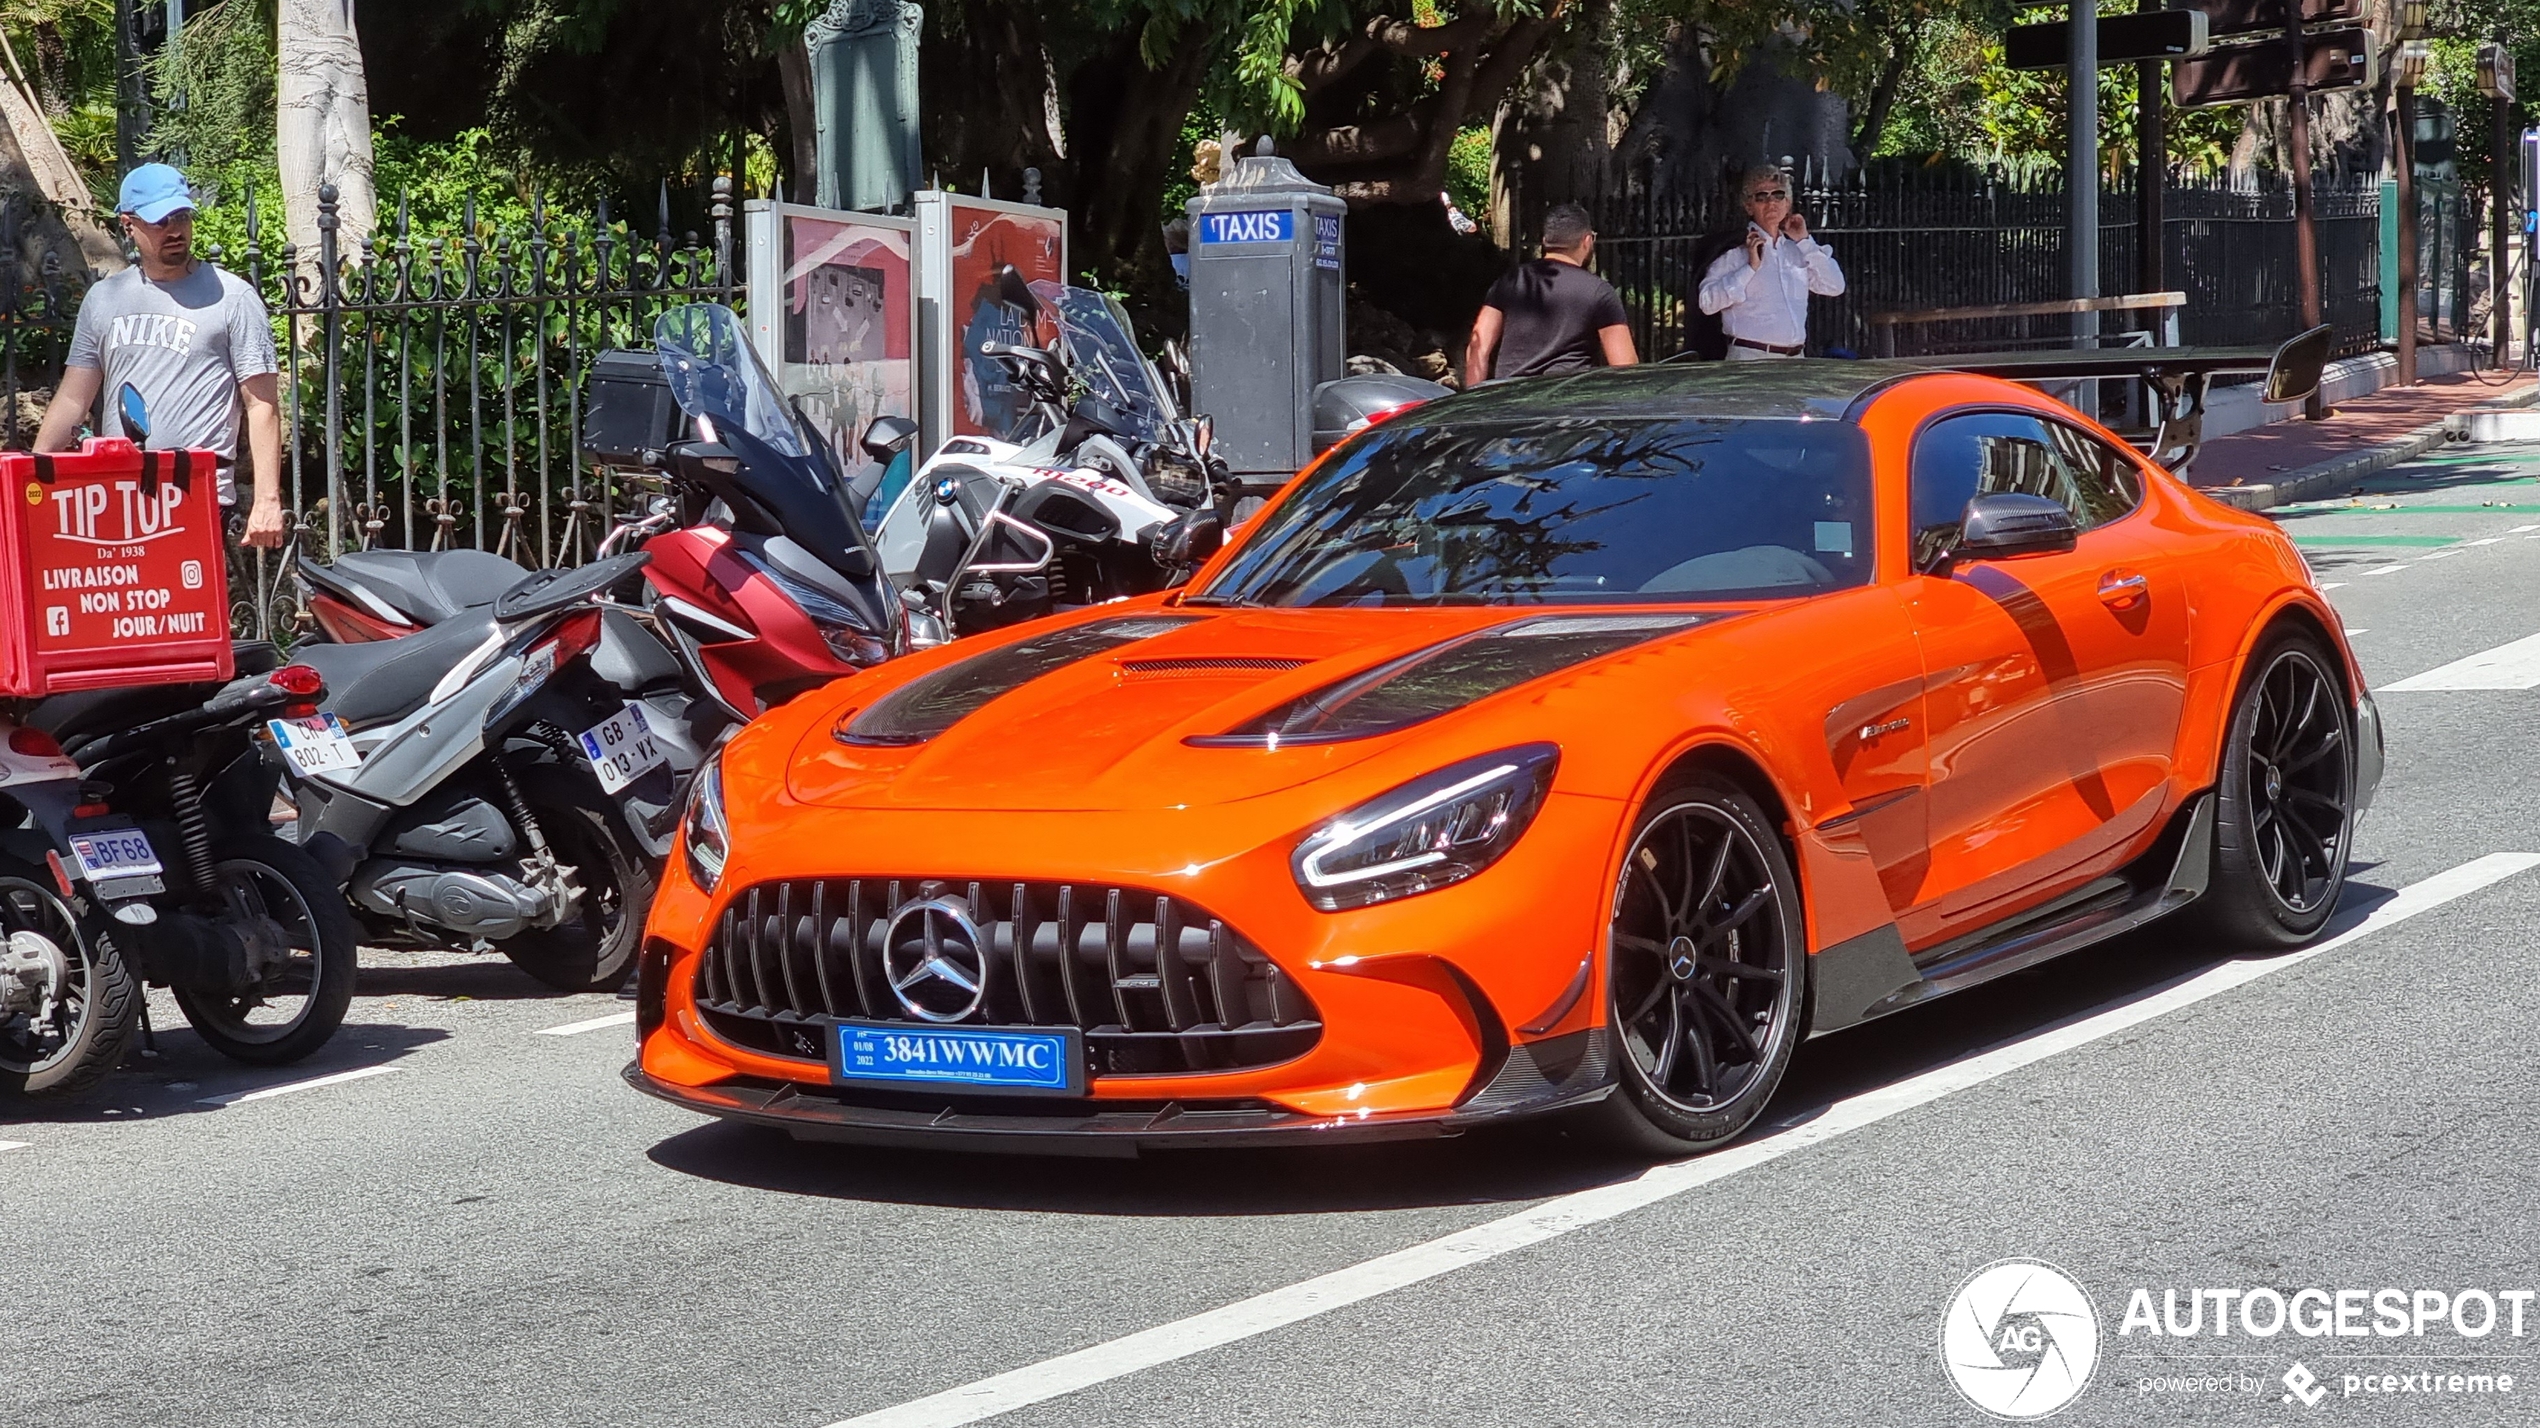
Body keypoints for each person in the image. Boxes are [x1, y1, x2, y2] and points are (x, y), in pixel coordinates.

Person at [35, 162, 285, 547]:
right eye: (160, 220)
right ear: (128, 224)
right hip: (117, 494)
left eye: (181, 216)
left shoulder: (233, 298)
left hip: (197, 493)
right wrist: (34, 473)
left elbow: (262, 404)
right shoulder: (104, 300)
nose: (174, 230)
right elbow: (73, 398)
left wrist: (267, 499)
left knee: (193, 609)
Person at [1465, 203, 1637, 385]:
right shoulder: (1599, 292)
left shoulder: (1511, 281)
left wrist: (1473, 400)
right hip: (1566, 402)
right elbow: (1625, 368)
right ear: (1587, 241)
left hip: (1511, 399)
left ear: (1545, 240)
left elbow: (1478, 346)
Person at [1697, 167, 1846, 360]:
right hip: (1751, 359)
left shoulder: (1798, 251)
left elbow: (1835, 286)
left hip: (1796, 360)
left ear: (1788, 203)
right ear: (1749, 206)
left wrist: (1805, 241)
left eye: (1778, 195)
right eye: (1761, 196)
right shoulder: (1734, 251)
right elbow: (1707, 303)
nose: (1771, 203)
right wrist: (1749, 269)